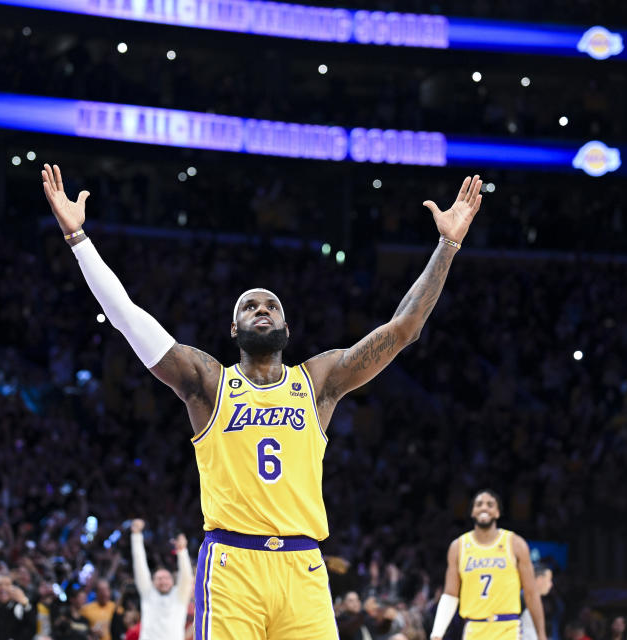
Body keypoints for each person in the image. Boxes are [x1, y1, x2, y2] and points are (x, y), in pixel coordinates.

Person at [42, 164, 484, 640]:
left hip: (303, 567)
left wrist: (448, 246)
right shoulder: (207, 383)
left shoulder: (319, 382)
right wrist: (78, 239)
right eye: (249, 306)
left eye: (271, 305)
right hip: (233, 566)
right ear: (233, 329)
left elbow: (402, 329)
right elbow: (126, 316)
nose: (261, 309)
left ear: (286, 329)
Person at [430, 490, 546, 640]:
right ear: (472, 512)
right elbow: (451, 594)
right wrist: (437, 633)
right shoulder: (458, 547)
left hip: (508, 629)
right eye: (479, 504)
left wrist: (541, 635)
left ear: (497, 513)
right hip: (474, 629)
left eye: (490, 504)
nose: (484, 508)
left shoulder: (515, 544)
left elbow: (531, 593)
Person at [129, 520, 193, 640]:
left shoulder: (179, 596)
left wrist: (182, 551)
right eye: (159, 579)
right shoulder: (148, 593)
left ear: (173, 581)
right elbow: (139, 565)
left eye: (166, 578)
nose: (163, 581)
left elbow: (186, 577)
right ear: (152, 582)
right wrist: (136, 535)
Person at [520, 564, 553, 640]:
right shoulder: (523, 597)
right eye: (549, 580)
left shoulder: (533, 600)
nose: (551, 584)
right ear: (540, 579)